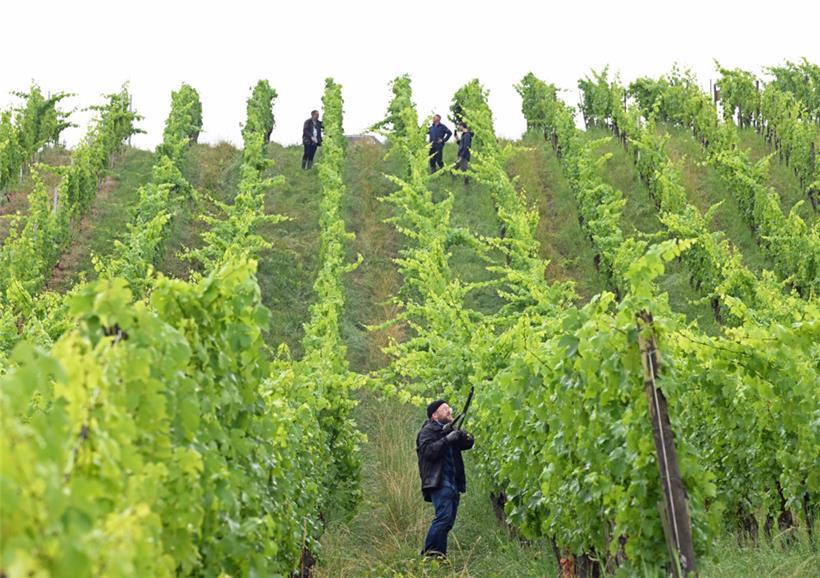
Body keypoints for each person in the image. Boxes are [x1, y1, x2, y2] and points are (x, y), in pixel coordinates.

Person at [416, 398, 475, 559]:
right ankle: (429, 554)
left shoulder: (449, 429)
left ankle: (439, 555)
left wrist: (461, 434)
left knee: (447, 522)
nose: (450, 410)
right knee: (443, 518)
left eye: (449, 407)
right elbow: (429, 452)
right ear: (434, 415)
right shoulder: (427, 431)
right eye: (445, 409)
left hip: (453, 482)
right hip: (439, 482)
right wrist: (448, 439)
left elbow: (469, 443)